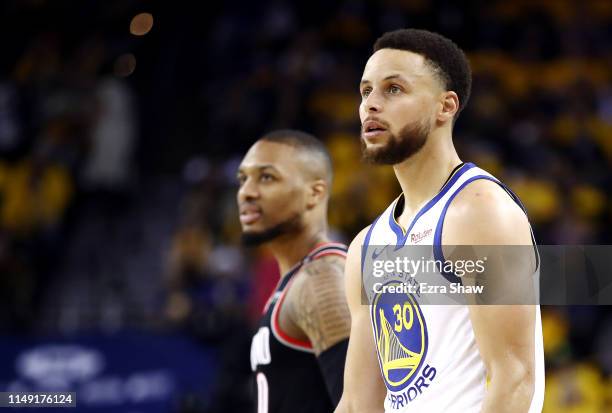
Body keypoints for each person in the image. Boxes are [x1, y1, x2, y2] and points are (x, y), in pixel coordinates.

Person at [335, 29, 545, 412]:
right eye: (366, 91)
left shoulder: (479, 212)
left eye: (393, 89)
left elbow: (514, 381)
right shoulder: (366, 246)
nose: (371, 105)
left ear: (445, 107)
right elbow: (356, 403)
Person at [237, 130, 351, 413]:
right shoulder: (297, 279)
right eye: (243, 179)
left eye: (266, 177)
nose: (246, 192)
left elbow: (362, 405)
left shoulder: (321, 280)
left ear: (314, 193)